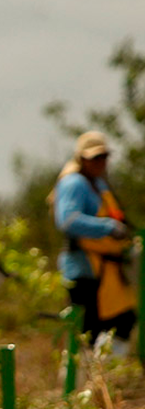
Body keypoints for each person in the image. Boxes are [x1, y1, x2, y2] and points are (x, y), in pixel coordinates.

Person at [53, 130, 136, 354]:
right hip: (82, 272)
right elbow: (68, 220)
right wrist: (107, 227)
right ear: (82, 159)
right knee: (85, 334)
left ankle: (101, 379)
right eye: (94, 157)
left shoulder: (98, 185)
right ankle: (80, 383)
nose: (100, 162)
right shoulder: (74, 184)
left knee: (123, 322)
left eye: (103, 157)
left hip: (106, 272)